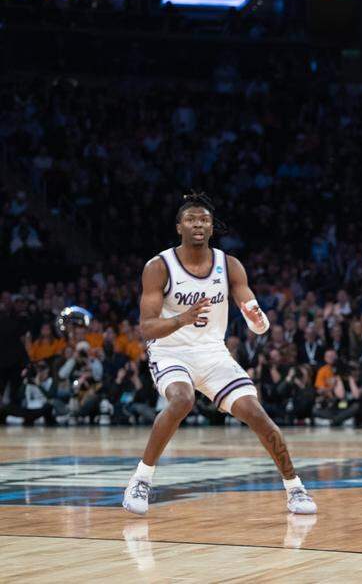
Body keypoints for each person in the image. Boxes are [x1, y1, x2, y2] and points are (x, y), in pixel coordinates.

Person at [122, 193, 316, 516]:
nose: (198, 224)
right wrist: (182, 319)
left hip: (212, 352)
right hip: (171, 351)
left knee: (257, 415)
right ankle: (141, 479)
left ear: (212, 228)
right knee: (182, 399)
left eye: (204, 220)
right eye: (191, 219)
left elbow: (255, 318)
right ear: (179, 226)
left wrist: (258, 319)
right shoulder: (158, 267)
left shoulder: (229, 265)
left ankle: (295, 488)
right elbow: (147, 328)